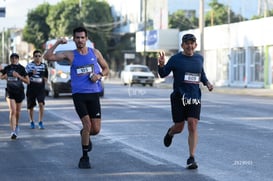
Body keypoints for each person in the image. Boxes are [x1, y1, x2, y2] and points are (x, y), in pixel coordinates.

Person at [43, 27, 109, 169]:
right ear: (74, 39)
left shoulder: (95, 53)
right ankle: (84, 157)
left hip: (93, 94)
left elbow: (106, 68)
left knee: (95, 130)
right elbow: (47, 57)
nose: (80, 40)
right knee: (87, 125)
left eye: (82, 37)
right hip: (79, 95)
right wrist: (58, 43)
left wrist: (99, 75)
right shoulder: (70, 55)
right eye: (77, 38)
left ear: (86, 39)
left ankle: (84, 134)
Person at [158, 34, 213, 169]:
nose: (189, 45)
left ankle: (191, 157)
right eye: (187, 43)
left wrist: (207, 83)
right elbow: (163, 74)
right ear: (182, 45)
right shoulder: (176, 59)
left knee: (193, 125)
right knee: (179, 127)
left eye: (192, 43)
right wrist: (161, 65)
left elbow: (201, 74)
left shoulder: (199, 58)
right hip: (179, 97)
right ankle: (170, 133)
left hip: (194, 97)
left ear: (195, 45)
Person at [0, 53, 30, 139]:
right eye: (12, 58)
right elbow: (1, 77)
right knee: (12, 111)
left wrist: (19, 76)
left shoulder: (21, 68)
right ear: (10, 59)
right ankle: (13, 131)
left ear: (18, 59)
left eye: (15, 58)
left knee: (17, 112)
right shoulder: (7, 68)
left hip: (19, 92)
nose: (14, 59)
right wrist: (4, 76)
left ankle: (16, 126)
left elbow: (28, 81)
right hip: (10, 92)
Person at [25, 50, 48, 129]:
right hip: (31, 87)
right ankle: (31, 121)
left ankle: (40, 121)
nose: (38, 57)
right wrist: (31, 73)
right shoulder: (29, 66)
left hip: (40, 88)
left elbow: (46, 76)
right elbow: (25, 76)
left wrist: (45, 80)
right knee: (30, 106)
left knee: (41, 104)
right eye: (36, 56)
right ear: (33, 57)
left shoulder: (44, 66)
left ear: (41, 57)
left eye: (39, 56)